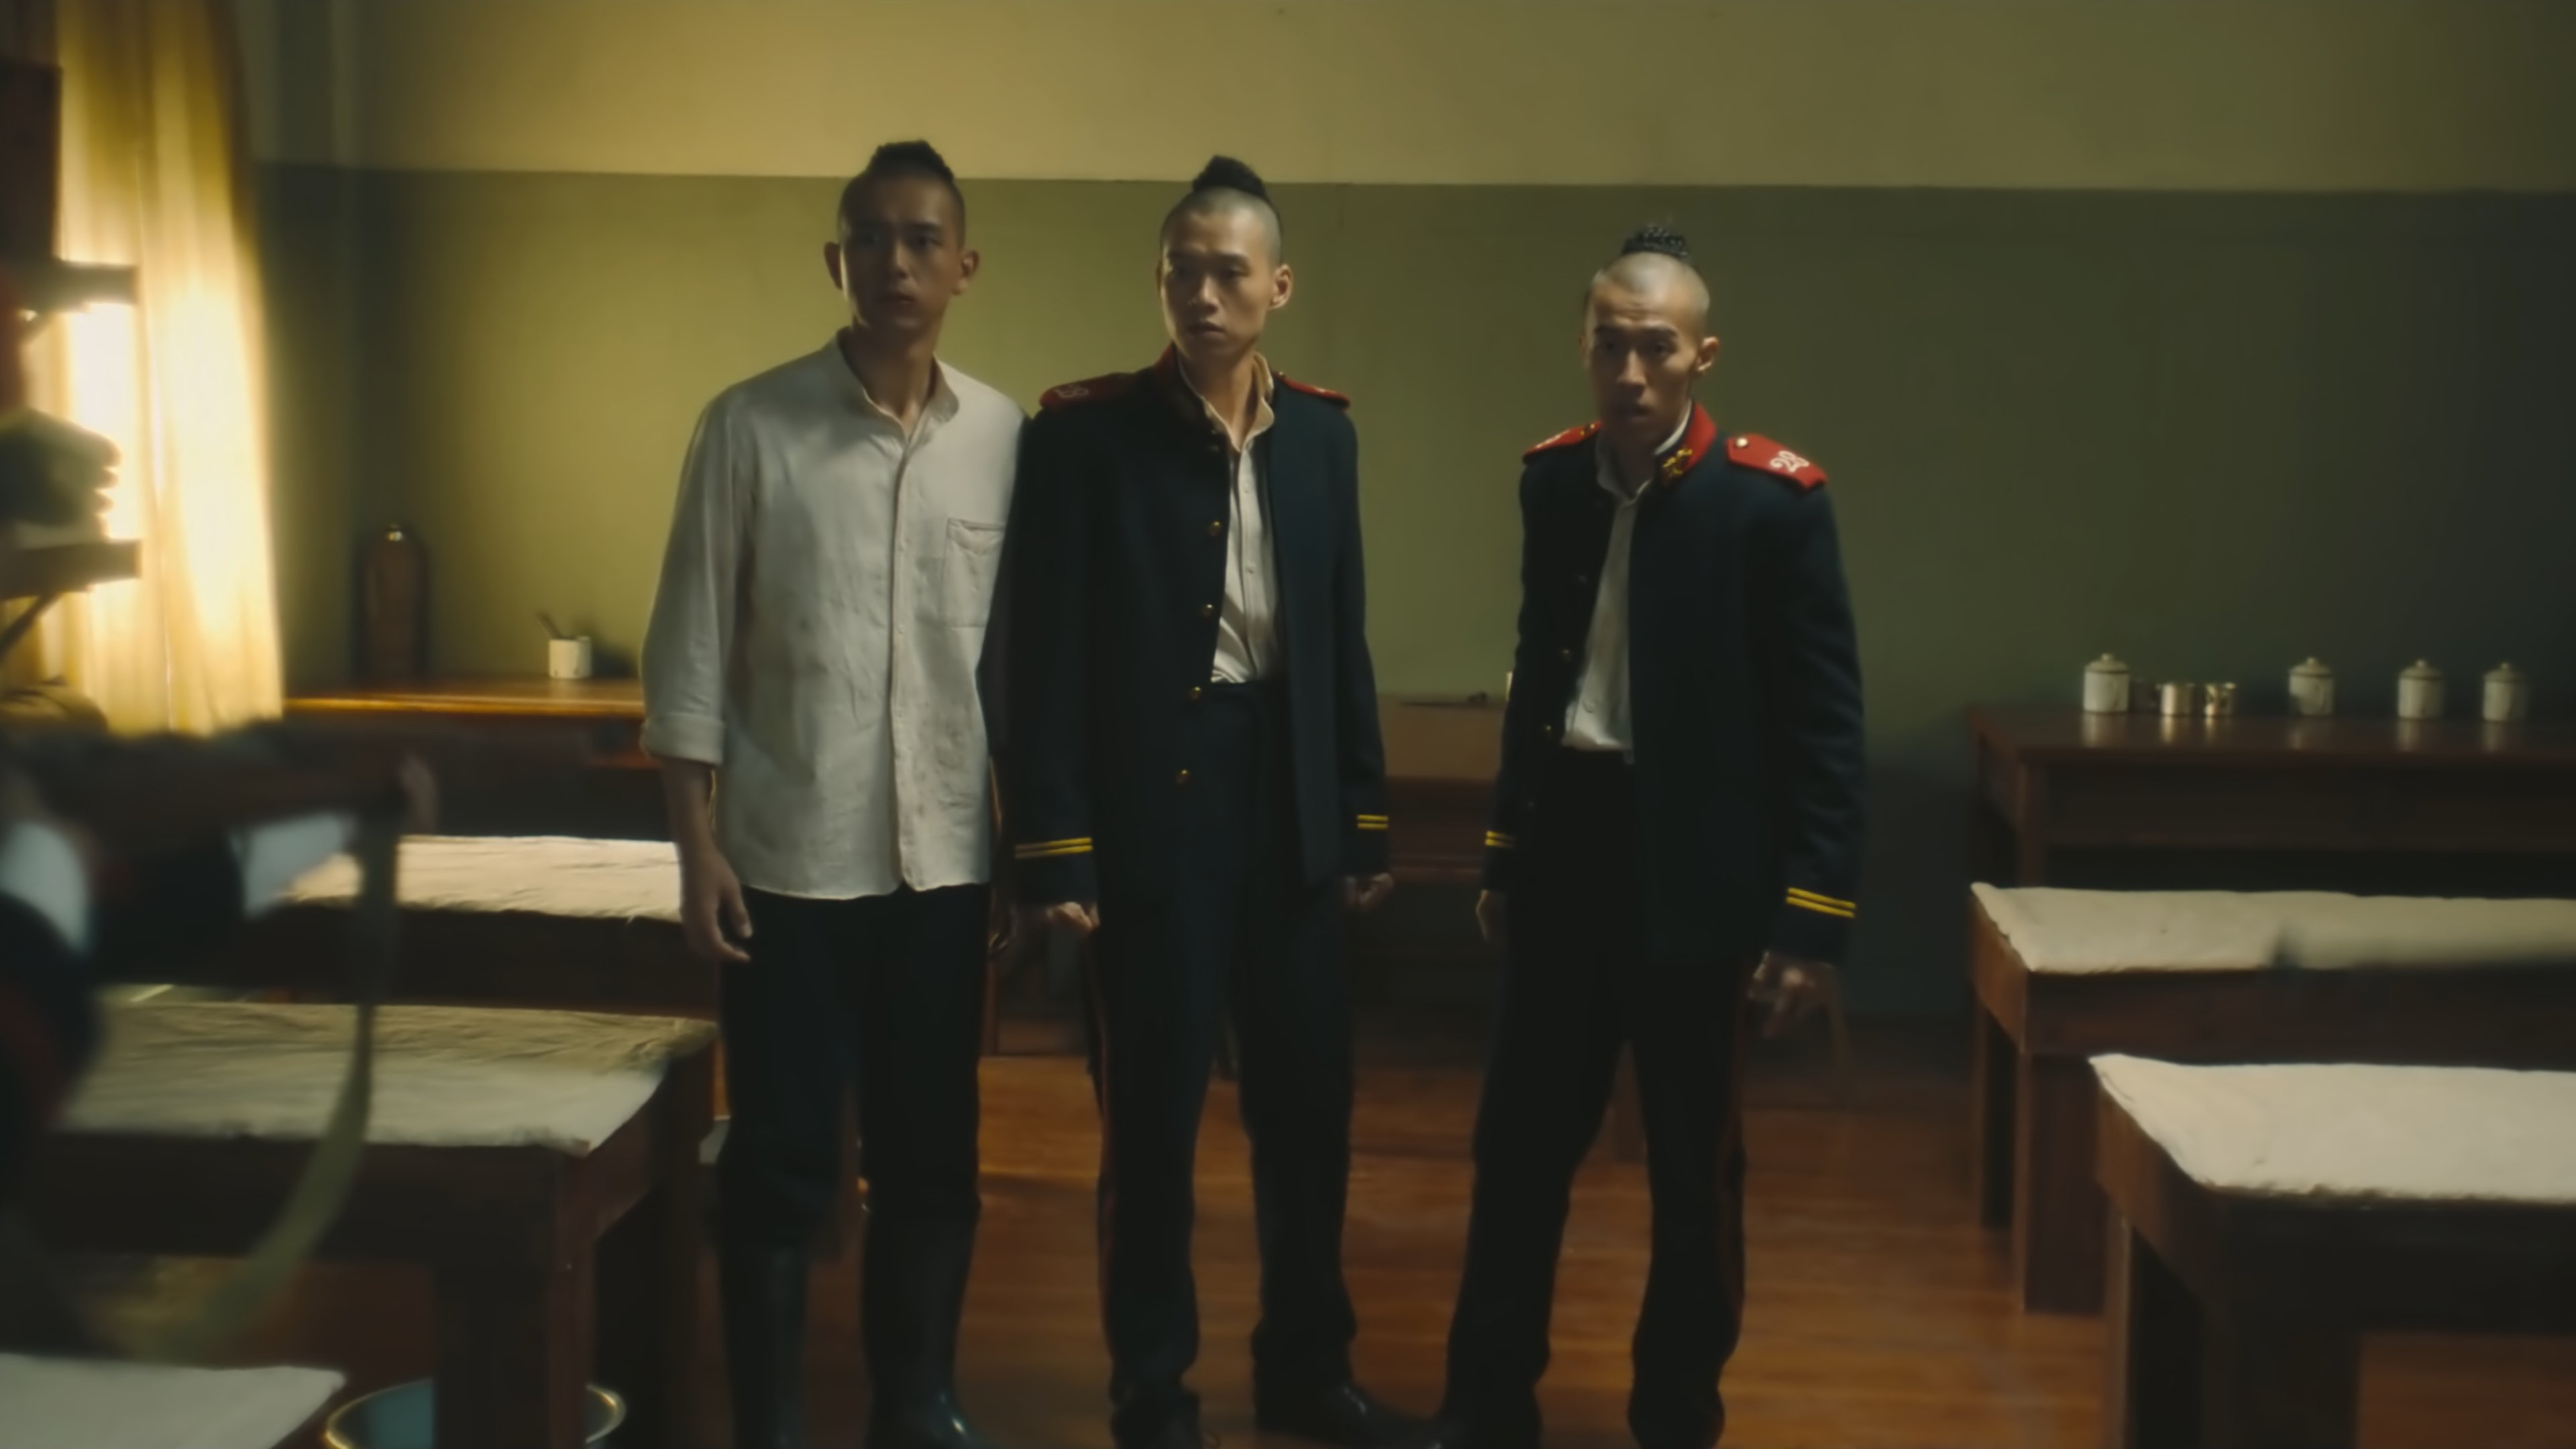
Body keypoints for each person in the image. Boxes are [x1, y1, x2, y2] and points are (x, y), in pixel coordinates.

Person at [1418, 224, 1865, 1449]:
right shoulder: (1554, 481)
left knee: (1691, 1169)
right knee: (1517, 1153)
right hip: (1568, 851)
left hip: (1700, 878)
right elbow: (1538, 673)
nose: (1629, 371)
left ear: (1701, 357)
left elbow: (1827, 722)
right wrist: (1504, 850)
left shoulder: (1771, 504)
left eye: (1656, 348)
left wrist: (1811, 918)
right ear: (1583, 345)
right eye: (1609, 344)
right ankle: (1484, 1407)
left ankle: (1677, 1416)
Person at [1006, 156, 1411, 1449]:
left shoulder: (1325, 436)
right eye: (1181, 270)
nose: (1202, 292)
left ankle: (1307, 1376)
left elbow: (1338, 638)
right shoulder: (1083, 436)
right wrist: (1055, 846)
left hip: (1286, 799)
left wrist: (1359, 818)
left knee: (1308, 1117)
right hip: (1152, 814)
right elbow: (1039, 657)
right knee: (1153, 1128)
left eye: (1229, 271)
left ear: (1278, 287)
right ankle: (1153, 1398)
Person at [639, 140, 1021, 1449]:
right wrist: (695, 847)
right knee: (782, 1161)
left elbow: (1014, 666)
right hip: (788, 863)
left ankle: (917, 1404)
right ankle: (773, 1422)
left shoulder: (1004, 441)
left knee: (933, 1158)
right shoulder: (750, 427)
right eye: (872, 238)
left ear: (965, 266)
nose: (896, 263)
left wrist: (1024, 848)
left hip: (943, 865)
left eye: (923, 241)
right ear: (836, 259)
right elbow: (690, 650)